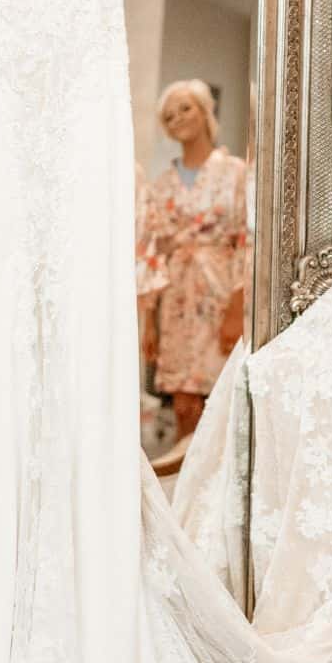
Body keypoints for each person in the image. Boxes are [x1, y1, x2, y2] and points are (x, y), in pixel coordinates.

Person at [140, 79, 247, 440]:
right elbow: (151, 250)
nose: (178, 118)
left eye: (185, 108)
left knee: (222, 399)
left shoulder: (234, 172)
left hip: (220, 290)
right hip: (176, 298)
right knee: (184, 405)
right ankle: (187, 491)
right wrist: (149, 321)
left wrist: (238, 304)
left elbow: (247, 238)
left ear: (205, 110)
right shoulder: (161, 184)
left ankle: (218, 490)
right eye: (169, 116)